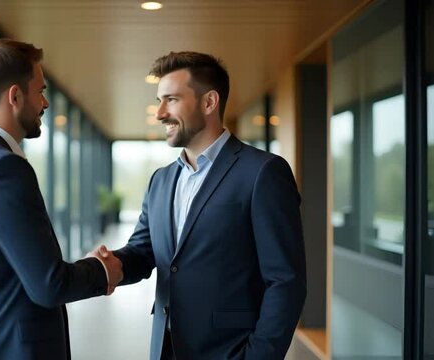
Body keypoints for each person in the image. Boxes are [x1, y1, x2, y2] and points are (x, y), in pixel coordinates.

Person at [100, 51, 306, 359]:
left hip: (230, 350)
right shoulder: (161, 180)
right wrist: (104, 266)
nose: (159, 113)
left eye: (171, 99)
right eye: (159, 100)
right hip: (166, 348)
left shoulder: (262, 173)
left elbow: (286, 281)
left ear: (209, 102)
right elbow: (143, 253)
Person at [0, 39, 123, 360]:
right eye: (40, 91)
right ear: (15, 96)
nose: (45, 103)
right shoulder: (4, 168)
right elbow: (48, 285)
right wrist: (102, 269)